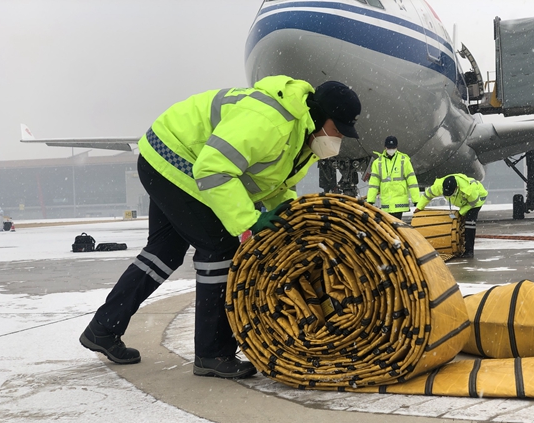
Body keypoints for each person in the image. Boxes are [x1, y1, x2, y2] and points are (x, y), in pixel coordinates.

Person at [79, 76, 361, 378]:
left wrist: (287, 212)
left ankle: (103, 328)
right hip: (176, 159)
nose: (338, 140)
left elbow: (275, 183)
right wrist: (249, 222)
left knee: (165, 252)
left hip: (167, 158)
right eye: (337, 130)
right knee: (220, 248)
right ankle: (212, 353)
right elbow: (212, 168)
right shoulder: (271, 121)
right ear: (321, 116)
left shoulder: (301, 137)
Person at [414, 174, 487, 258]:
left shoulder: (469, 190)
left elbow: (473, 202)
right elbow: (428, 195)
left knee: (469, 223)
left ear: (456, 188)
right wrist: (419, 207)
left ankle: (469, 251)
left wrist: (460, 213)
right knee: (461, 220)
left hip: (477, 200)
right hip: (465, 201)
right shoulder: (439, 185)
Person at [366, 135, 420, 220]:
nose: (391, 149)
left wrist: (416, 200)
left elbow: (412, 182)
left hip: (399, 205)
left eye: (393, 147)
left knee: (394, 229)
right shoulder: (378, 163)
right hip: (386, 205)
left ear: (397, 147)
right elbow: (373, 184)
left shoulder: (404, 161)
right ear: (385, 147)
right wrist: (370, 200)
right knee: (390, 230)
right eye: (389, 147)